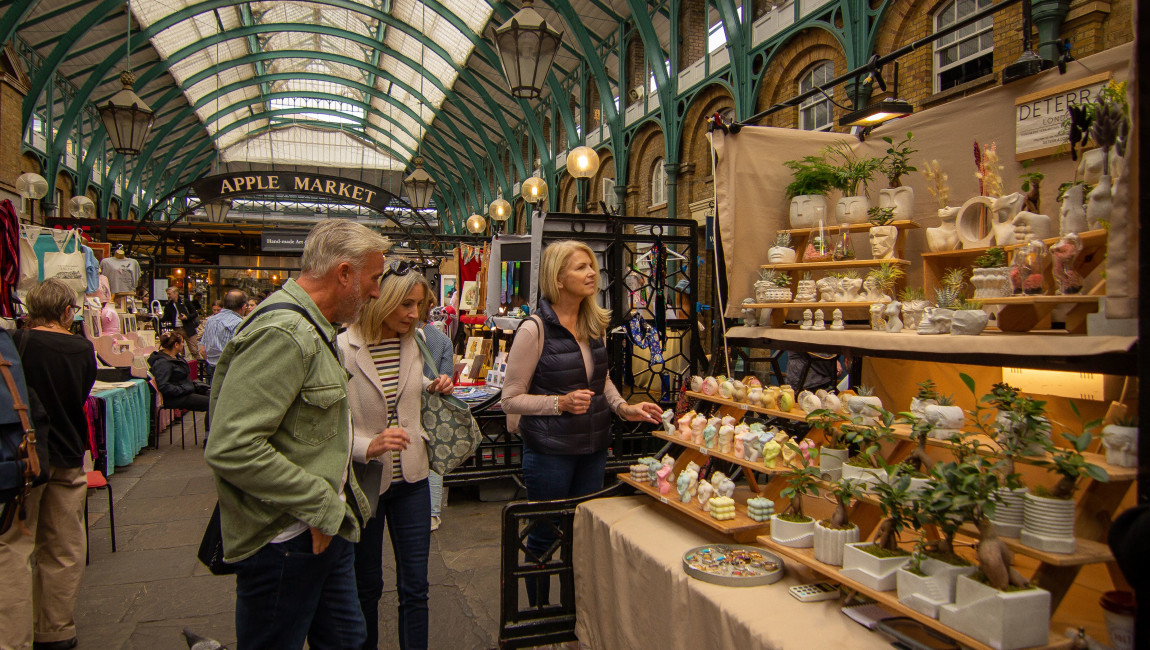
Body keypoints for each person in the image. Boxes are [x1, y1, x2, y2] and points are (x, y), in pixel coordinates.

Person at [204, 219, 387, 649]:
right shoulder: (285, 333)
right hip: (285, 540)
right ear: (344, 273)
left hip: (318, 530)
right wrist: (322, 505)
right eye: (374, 278)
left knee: (348, 640)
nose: (377, 292)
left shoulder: (313, 326)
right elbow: (233, 447)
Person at [502, 240, 663, 606]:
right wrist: (558, 403)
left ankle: (574, 621)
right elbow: (510, 399)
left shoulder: (593, 323)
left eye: (592, 266)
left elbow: (601, 382)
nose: (592, 273)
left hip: (592, 448)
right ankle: (541, 622)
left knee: (580, 535)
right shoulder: (534, 329)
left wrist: (624, 409)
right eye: (580, 267)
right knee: (543, 538)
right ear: (557, 279)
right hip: (549, 453)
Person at [338, 262, 453, 650]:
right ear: (382, 300)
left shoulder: (415, 342)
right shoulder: (343, 348)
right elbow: (327, 425)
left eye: (418, 305)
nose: (414, 314)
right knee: (366, 586)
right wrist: (364, 446)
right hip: (366, 481)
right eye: (405, 304)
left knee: (416, 587)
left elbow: (406, 387)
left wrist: (434, 384)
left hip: (414, 480)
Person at [0, 279, 96, 650]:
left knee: (15, 545)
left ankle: (13, 638)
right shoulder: (81, 349)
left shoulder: (19, 344)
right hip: (68, 452)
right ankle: (56, 631)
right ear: (67, 311)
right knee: (64, 546)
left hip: (26, 455)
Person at [414, 281, 454, 532]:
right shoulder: (442, 340)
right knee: (433, 459)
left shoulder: (398, 335)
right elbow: (446, 376)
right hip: (432, 406)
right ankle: (432, 513)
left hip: (405, 406)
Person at [147, 331, 210, 413]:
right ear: (176, 345)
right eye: (182, 342)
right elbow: (163, 385)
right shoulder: (163, 362)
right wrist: (182, 389)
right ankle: (211, 426)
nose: (183, 345)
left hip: (185, 391)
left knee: (214, 396)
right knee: (211, 403)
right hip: (175, 397)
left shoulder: (176, 357)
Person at [200, 289, 248, 384]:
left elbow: (203, 349)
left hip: (212, 367)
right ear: (243, 307)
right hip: (229, 370)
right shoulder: (238, 323)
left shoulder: (210, 320)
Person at [161, 286, 201, 358]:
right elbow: (166, 318)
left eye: (170, 294)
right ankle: (181, 365)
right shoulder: (169, 305)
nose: (168, 296)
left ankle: (198, 366)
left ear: (176, 294)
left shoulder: (185, 302)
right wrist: (160, 317)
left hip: (188, 328)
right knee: (179, 351)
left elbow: (194, 313)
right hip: (177, 329)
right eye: (167, 294)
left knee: (194, 350)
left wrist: (187, 317)